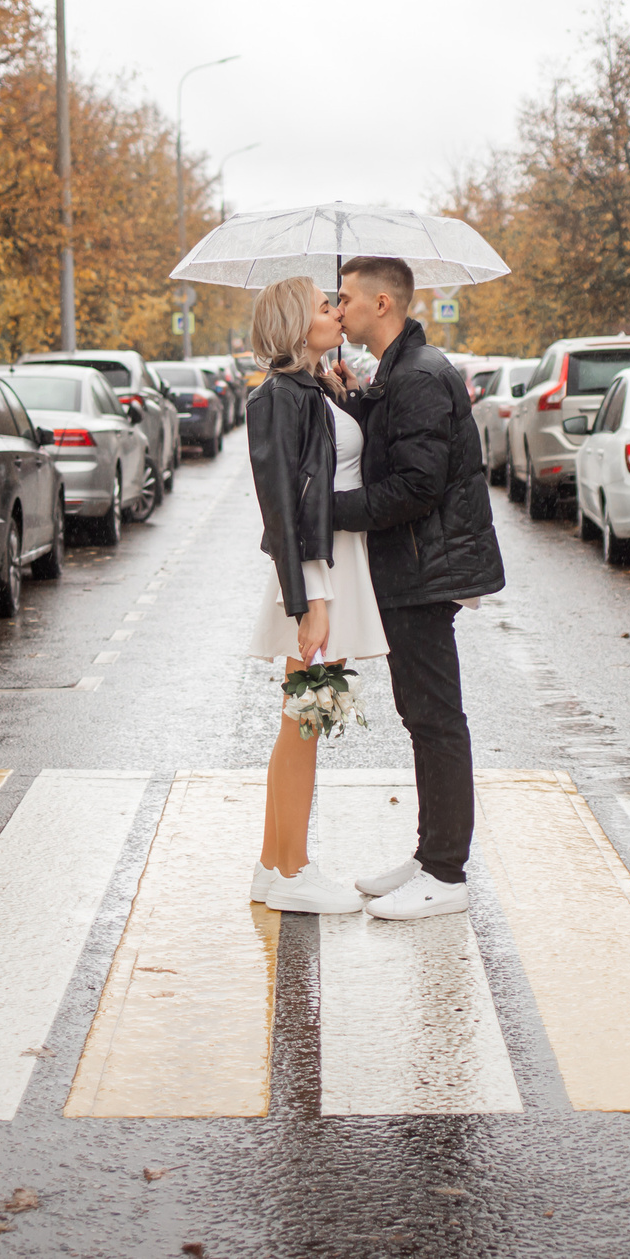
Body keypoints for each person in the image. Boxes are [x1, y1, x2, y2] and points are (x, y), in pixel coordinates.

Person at [329, 256, 506, 920]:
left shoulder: (421, 376)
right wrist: (358, 397)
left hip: (422, 566)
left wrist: (330, 512)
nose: (336, 308)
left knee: (435, 716)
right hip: (411, 564)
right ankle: (431, 854)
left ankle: (446, 873)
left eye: (344, 298)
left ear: (382, 304)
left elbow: (415, 485)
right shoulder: (402, 371)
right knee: (422, 713)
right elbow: (398, 444)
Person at [242, 275, 383, 914]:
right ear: (299, 326)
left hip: (328, 569)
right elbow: (285, 507)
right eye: (325, 306)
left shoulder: (313, 389)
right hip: (315, 573)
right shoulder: (279, 397)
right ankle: (293, 873)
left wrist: (346, 392)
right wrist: (311, 598)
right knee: (305, 719)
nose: (337, 311)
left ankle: (275, 866)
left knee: (302, 719)